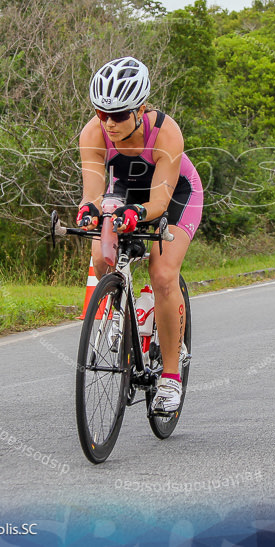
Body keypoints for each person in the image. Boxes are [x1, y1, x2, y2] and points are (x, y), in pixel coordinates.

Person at [76, 57, 203, 413]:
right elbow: (93, 192)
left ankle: (170, 378)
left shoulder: (166, 132)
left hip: (175, 195)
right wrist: (89, 209)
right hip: (124, 192)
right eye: (102, 114)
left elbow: (160, 202)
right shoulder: (92, 133)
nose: (110, 123)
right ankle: (126, 308)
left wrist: (138, 214)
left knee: (163, 274)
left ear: (141, 109)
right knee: (102, 256)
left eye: (119, 115)